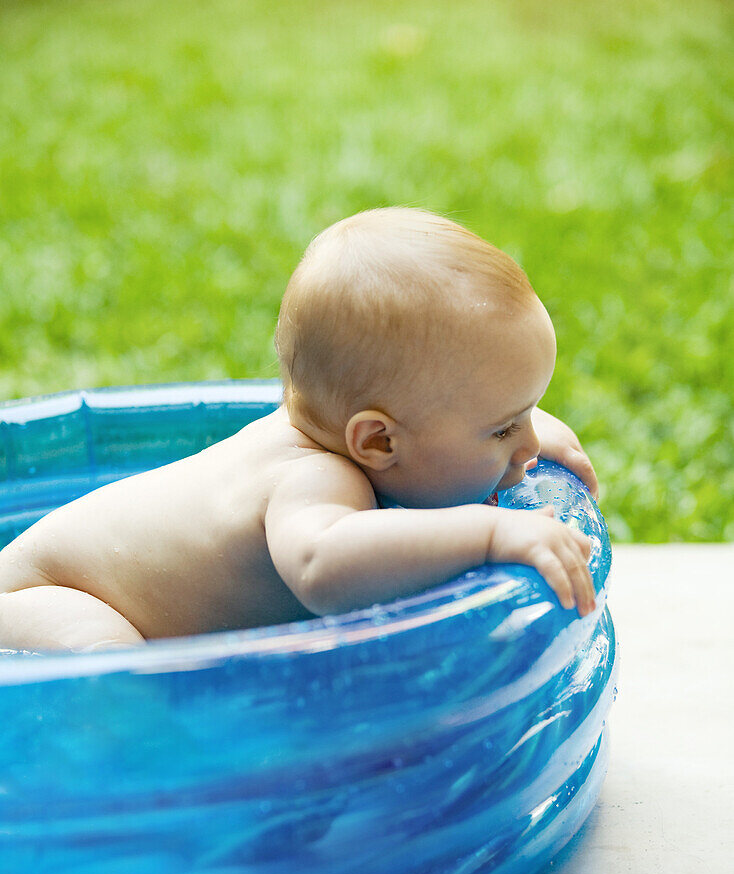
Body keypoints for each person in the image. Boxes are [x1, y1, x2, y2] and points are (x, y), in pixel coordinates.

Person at [0, 208, 600, 653]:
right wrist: (491, 532)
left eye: (526, 413)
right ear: (379, 441)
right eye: (502, 429)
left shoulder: (342, 432)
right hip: (40, 599)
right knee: (113, 665)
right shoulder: (312, 478)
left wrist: (509, 424)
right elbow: (321, 569)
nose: (528, 442)